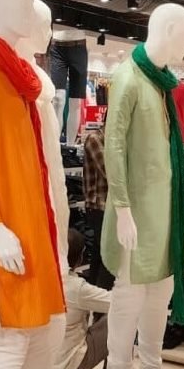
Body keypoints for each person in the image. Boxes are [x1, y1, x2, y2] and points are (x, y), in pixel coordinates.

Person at [51, 228, 111, 369]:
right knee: (123, 317)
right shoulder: (76, 288)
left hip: (41, 365)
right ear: (81, 257)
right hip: (67, 367)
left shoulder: (39, 279)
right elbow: (118, 304)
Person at [83, 121, 113, 290]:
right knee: (109, 256)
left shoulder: (115, 141)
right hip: (98, 206)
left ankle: (94, 295)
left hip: (108, 207)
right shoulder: (95, 139)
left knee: (99, 255)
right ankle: (103, 299)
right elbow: (109, 170)